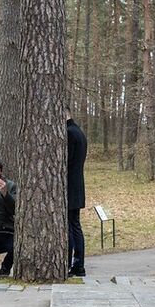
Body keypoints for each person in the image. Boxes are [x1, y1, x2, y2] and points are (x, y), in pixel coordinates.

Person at [66, 108, 87, 277]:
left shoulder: (69, 133)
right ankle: (76, 264)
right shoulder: (78, 131)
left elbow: (67, 161)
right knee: (74, 225)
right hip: (77, 186)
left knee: (71, 226)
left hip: (70, 187)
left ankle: (76, 264)